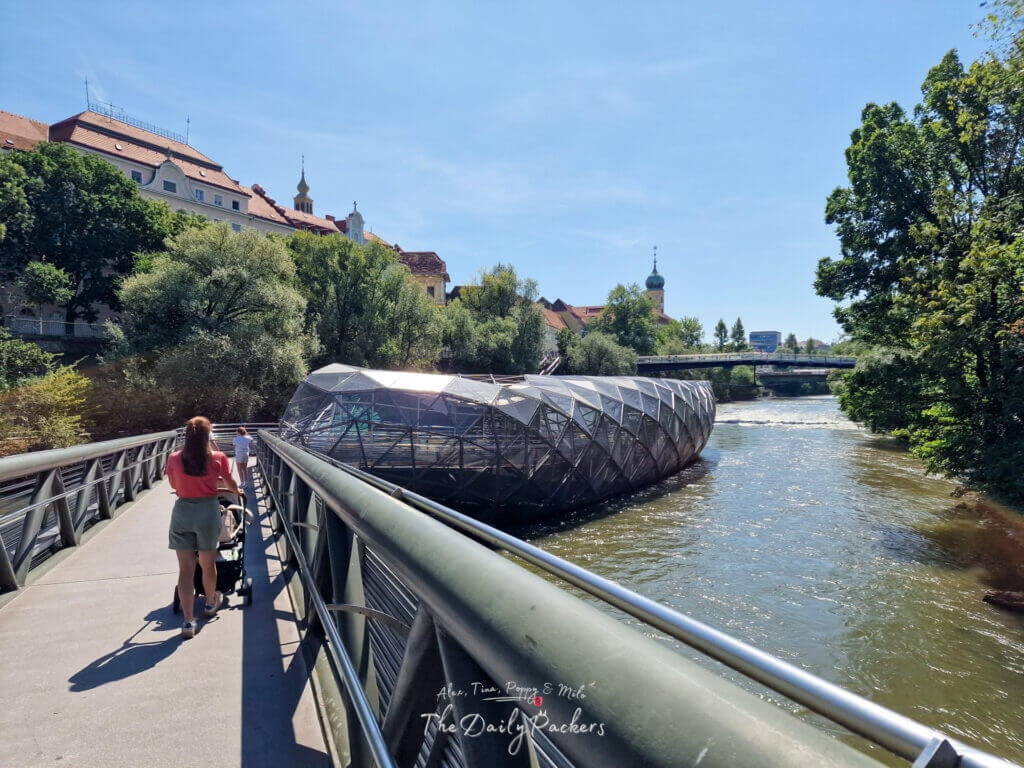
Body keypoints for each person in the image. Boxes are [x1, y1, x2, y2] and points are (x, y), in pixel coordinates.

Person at [166, 416, 240, 639]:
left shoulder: (174, 458)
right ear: (208, 437)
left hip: (182, 513)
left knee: (185, 570)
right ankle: (209, 603)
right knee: (208, 564)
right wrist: (237, 491)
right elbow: (229, 483)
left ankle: (188, 621)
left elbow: (174, 485)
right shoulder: (217, 458)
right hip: (208, 512)